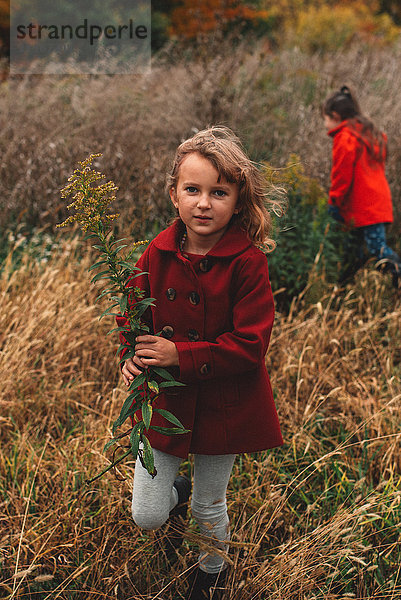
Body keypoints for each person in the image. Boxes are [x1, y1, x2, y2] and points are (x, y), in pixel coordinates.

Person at [116, 127, 283, 599]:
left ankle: (211, 575)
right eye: (193, 190)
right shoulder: (157, 251)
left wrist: (181, 355)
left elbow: (251, 344)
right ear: (174, 194)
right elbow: (132, 312)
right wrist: (130, 355)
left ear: (237, 199)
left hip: (224, 402)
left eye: (219, 192)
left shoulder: (247, 262)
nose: (204, 203)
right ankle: (175, 495)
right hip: (167, 398)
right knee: (147, 513)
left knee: (211, 506)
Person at [323, 85, 401, 288]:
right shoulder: (370, 133)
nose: (325, 124)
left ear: (335, 116)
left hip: (364, 207)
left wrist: (334, 203)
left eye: (325, 118)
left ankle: (397, 282)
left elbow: (341, 176)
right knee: (356, 251)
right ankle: (349, 288)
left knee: (377, 250)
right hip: (375, 203)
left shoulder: (345, 138)